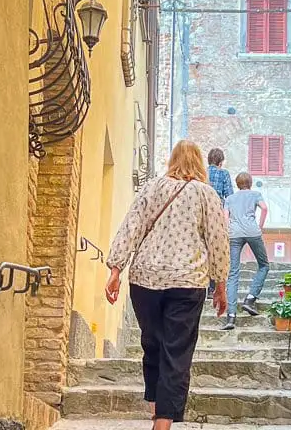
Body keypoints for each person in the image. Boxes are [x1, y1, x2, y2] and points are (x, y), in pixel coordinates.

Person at [106, 140, 230, 430]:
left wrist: (115, 269)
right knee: (177, 349)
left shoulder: (152, 187)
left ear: (172, 160)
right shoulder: (207, 195)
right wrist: (220, 284)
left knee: (153, 344)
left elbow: (131, 226)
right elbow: (218, 240)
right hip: (188, 281)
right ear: (200, 163)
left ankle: (156, 408)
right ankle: (162, 421)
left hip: (145, 280)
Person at [219, 171, 270, 331]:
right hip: (252, 231)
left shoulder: (229, 199)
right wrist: (260, 226)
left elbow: (225, 217)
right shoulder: (256, 194)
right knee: (264, 265)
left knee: (233, 272)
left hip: (234, 234)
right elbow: (264, 208)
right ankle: (250, 298)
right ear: (250, 182)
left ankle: (231, 317)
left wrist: (229, 230)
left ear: (237, 183)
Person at [205, 147, 233, 298]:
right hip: (216, 214)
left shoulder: (202, 172)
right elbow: (229, 196)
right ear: (221, 161)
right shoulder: (224, 174)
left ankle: (203, 286)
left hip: (201, 213)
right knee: (216, 249)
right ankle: (213, 288)